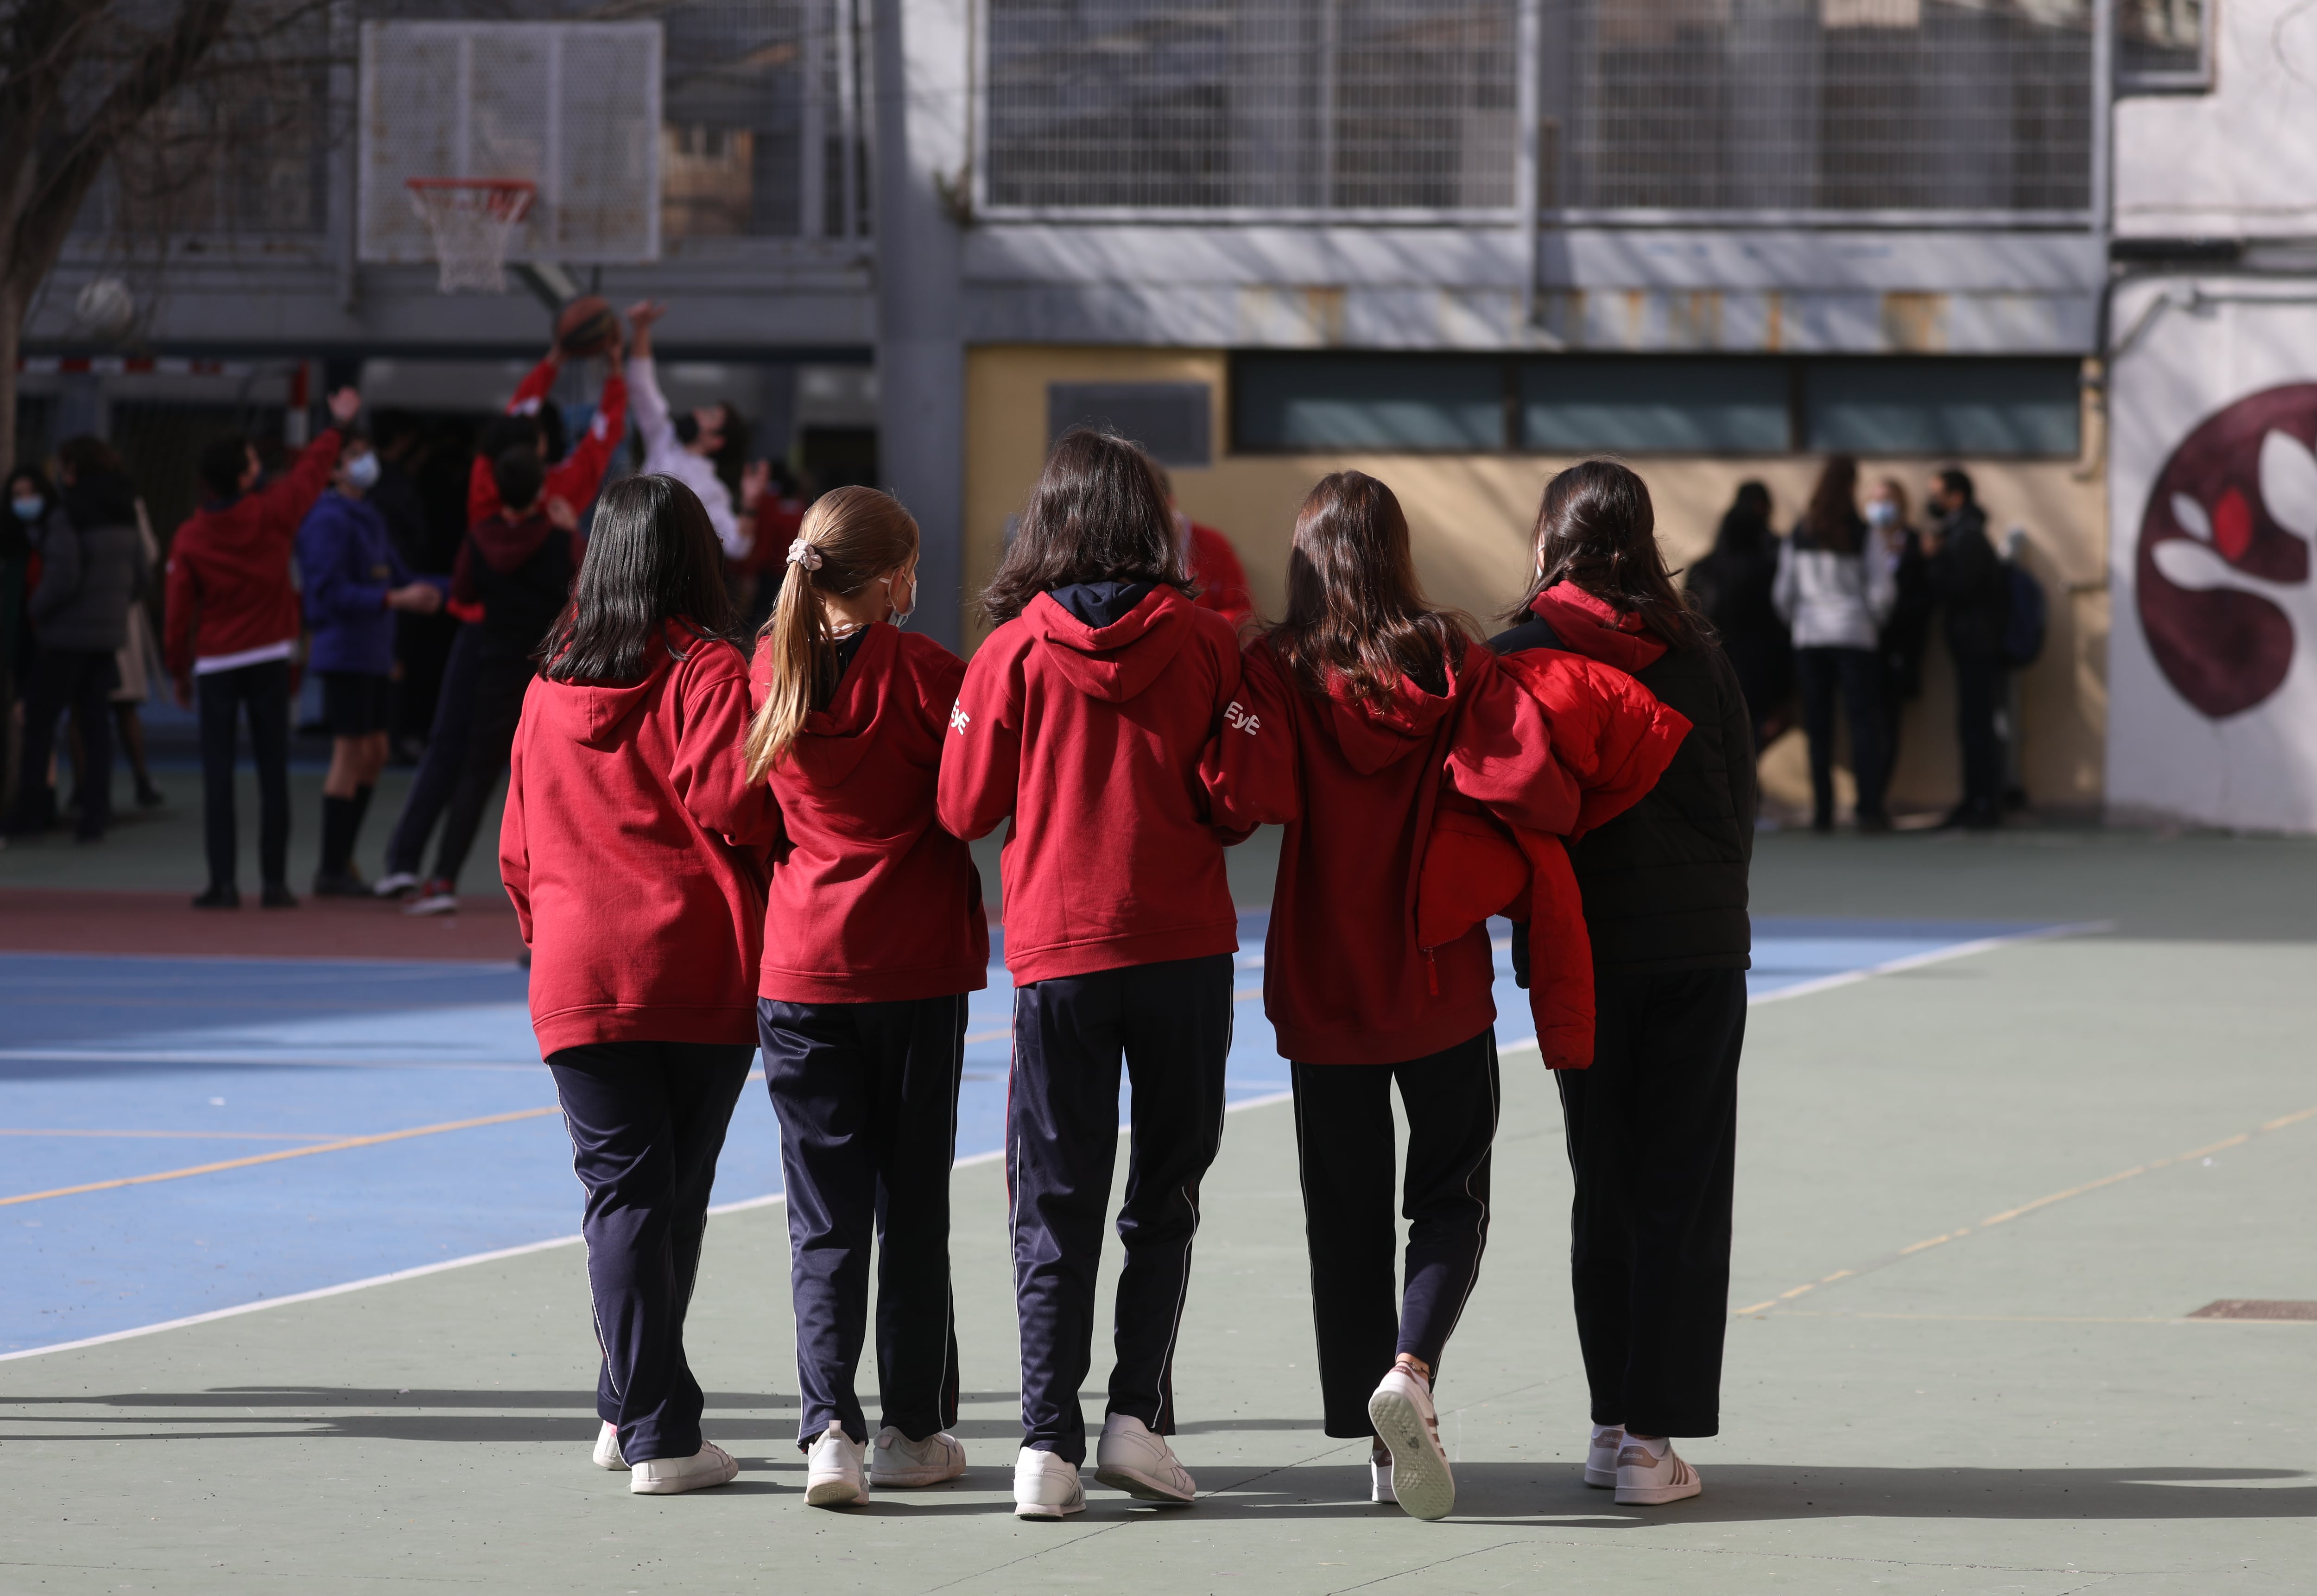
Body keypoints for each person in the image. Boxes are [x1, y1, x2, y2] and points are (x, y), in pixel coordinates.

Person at [1197, 470, 1678, 1521]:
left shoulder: (1278, 665)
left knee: (1345, 1214)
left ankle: (1372, 1450)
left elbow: (1246, 800)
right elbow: (1527, 783)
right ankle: (1411, 1371)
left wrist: (1236, 684)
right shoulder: (1454, 657)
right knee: (1450, 1199)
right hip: (1440, 973)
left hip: (1322, 984)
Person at [936, 429, 1243, 1522]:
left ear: (1050, 522)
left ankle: (1043, 1447)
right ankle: (1136, 1419)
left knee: (1050, 1206)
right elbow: (1239, 791)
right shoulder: (1212, 646)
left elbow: (963, 807)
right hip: (1184, 953)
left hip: (1060, 954)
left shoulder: (1010, 651)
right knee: (1164, 1197)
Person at [500, 474, 779, 1496]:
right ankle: (657, 1427)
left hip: (579, 970)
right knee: (673, 1200)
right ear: (694, 559)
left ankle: (629, 1406)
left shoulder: (544, 692)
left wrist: (554, 938)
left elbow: (518, 850)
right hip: (698, 967)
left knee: (626, 1198)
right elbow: (736, 806)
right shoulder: (709, 671)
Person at [1492, 459, 1755, 1509]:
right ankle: (1653, 1439)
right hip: (1694, 953)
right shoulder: (1698, 655)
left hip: (1581, 954)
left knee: (1600, 1181)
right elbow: (1737, 810)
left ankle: (1610, 1424)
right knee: (1679, 1191)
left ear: (1550, 538)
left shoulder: (1516, 656)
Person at [743, 486, 984, 1510]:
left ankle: (826, 1430)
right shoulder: (931, 673)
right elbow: (972, 804)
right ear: (894, 579)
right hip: (912, 966)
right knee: (913, 1204)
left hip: (801, 965)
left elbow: (736, 807)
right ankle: (914, 1429)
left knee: (823, 1215)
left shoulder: (770, 666)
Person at [376, 326, 629, 898]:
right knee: (533, 765)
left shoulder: (484, 482)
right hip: (539, 649)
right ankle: (550, 882)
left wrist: (552, 360)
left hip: (477, 637)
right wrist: (614, 372)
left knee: (448, 748)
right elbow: (603, 436)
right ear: (541, 455)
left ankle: (405, 861)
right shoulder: (563, 496)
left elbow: (518, 410)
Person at [166, 394, 359, 906]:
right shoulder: (273, 512)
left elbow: (178, 610)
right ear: (245, 476)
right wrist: (336, 426)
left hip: (216, 662)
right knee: (274, 772)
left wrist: (177, 669)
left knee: (218, 776)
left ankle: (223, 884)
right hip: (270, 655)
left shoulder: (190, 536)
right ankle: (274, 883)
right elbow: (313, 472)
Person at [403, 447, 582, 915]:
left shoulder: (478, 539)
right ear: (542, 490)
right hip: (550, 674)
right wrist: (570, 531)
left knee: (477, 777)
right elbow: (587, 590)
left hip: (495, 667)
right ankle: (563, 893)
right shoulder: (561, 541)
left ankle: (442, 878)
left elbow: (462, 592)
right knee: (555, 786)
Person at [296, 433, 444, 895]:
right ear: (335, 469)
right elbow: (326, 594)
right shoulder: (327, 520)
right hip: (347, 653)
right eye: (354, 456)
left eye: (367, 453)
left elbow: (400, 576)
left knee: (376, 752)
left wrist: (454, 586)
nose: (367, 462)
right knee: (351, 753)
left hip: (374, 652)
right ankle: (331, 868)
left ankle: (344, 859)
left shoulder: (368, 514)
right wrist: (393, 598)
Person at [4, 438, 147, 842]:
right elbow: (141, 577)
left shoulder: (69, 517)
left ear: (73, 471)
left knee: (38, 720)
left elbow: (62, 576)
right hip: (106, 637)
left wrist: (35, 607)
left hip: (66, 637)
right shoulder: (125, 514)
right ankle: (95, 814)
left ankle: (32, 810)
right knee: (96, 724)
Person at [1772, 456, 1895, 833]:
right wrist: (1870, 620)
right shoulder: (1863, 533)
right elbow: (1883, 590)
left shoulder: (1800, 532)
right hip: (1855, 636)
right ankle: (1868, 808)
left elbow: (1783, 592)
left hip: (1810, 636)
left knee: (1819, 726)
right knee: (1862, 724)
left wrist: (1800, 622)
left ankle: (1823, 812)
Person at [625, 301, 767, 561]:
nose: (698, 411)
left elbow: (738, 547)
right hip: (627, 555)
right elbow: (642, 388)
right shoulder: (664, 438)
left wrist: (750, 504)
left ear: (716, 442)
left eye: (710, 416)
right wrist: (641, 330)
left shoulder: (711, 489)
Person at [1924, 468, 2009, 830]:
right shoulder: (1960, 534)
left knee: (1977, 726)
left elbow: (1961, 588)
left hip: (1977, 646)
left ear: (1956, 497)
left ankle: (1983, 802)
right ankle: (1976, 798)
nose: (1932, 502)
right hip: (1972, 644)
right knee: (1972, 724)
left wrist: (1933, 560)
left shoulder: (1967, 537)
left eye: (1938, 494)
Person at [1683, 482, 1790, 751]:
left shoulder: (1703, 569)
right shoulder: (1768, 567)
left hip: (1711, 669)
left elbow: (1688, 621)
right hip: (1756, 671)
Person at [1867, 478, 1932, 797]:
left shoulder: (1916, 544)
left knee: (1889, 723)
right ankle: (1868, 796)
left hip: (1899, 647)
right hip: (1864, 646)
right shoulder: (1861, 540)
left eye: (1889, 500)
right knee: (1867, 722)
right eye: (1877, 500)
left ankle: (1877, 796)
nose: (1882, 508)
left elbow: (1925, 595)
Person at [1154, 466, 1253, 624]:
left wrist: (1200, 631)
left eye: (1153, 512)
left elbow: (1241, 610)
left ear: (1170, 502)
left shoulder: (1213, 544)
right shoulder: (1133, 550)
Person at [2, 466, 46, 814]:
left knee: (35, 720)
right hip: (18, 638)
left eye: (29, 493)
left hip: (40, 639)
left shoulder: (53, 535)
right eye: (18, 495)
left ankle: (38, 801)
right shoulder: (11, 543)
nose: (25, 502)